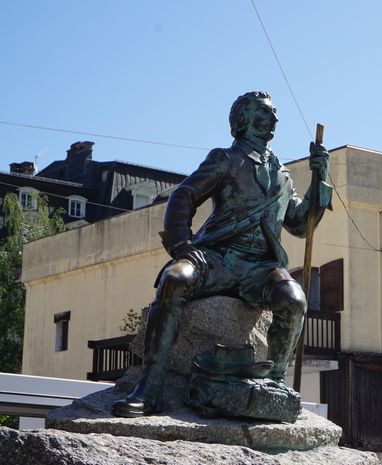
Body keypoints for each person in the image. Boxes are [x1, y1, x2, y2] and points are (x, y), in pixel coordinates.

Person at [112, 91, 331, 417]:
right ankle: (150, 387)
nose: (274, 118)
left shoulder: (282, 175)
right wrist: (182, 247)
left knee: (295, 301)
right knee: (174, 280)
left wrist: (320, 180)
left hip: (260, 268)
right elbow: (184, 196)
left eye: (274, 112)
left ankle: (274, 384)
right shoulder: (226, 159)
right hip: (218, 258)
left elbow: (300, 224)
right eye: (264, 112)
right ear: (243, 120)